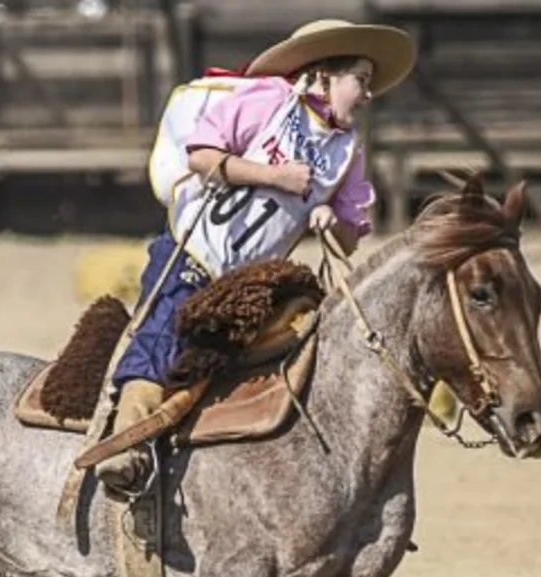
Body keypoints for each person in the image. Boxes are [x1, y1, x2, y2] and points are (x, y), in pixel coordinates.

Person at [95, 19, 418, 494]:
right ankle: (126, 446)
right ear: (325, 75)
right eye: (361, 82)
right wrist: (274, 177)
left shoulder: (348, 152)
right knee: (161, 340)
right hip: (192, 253)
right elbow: (202, 156)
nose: (368, 95)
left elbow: (351, 240)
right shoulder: (265, 99)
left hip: (254, 280)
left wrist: (332, 217)